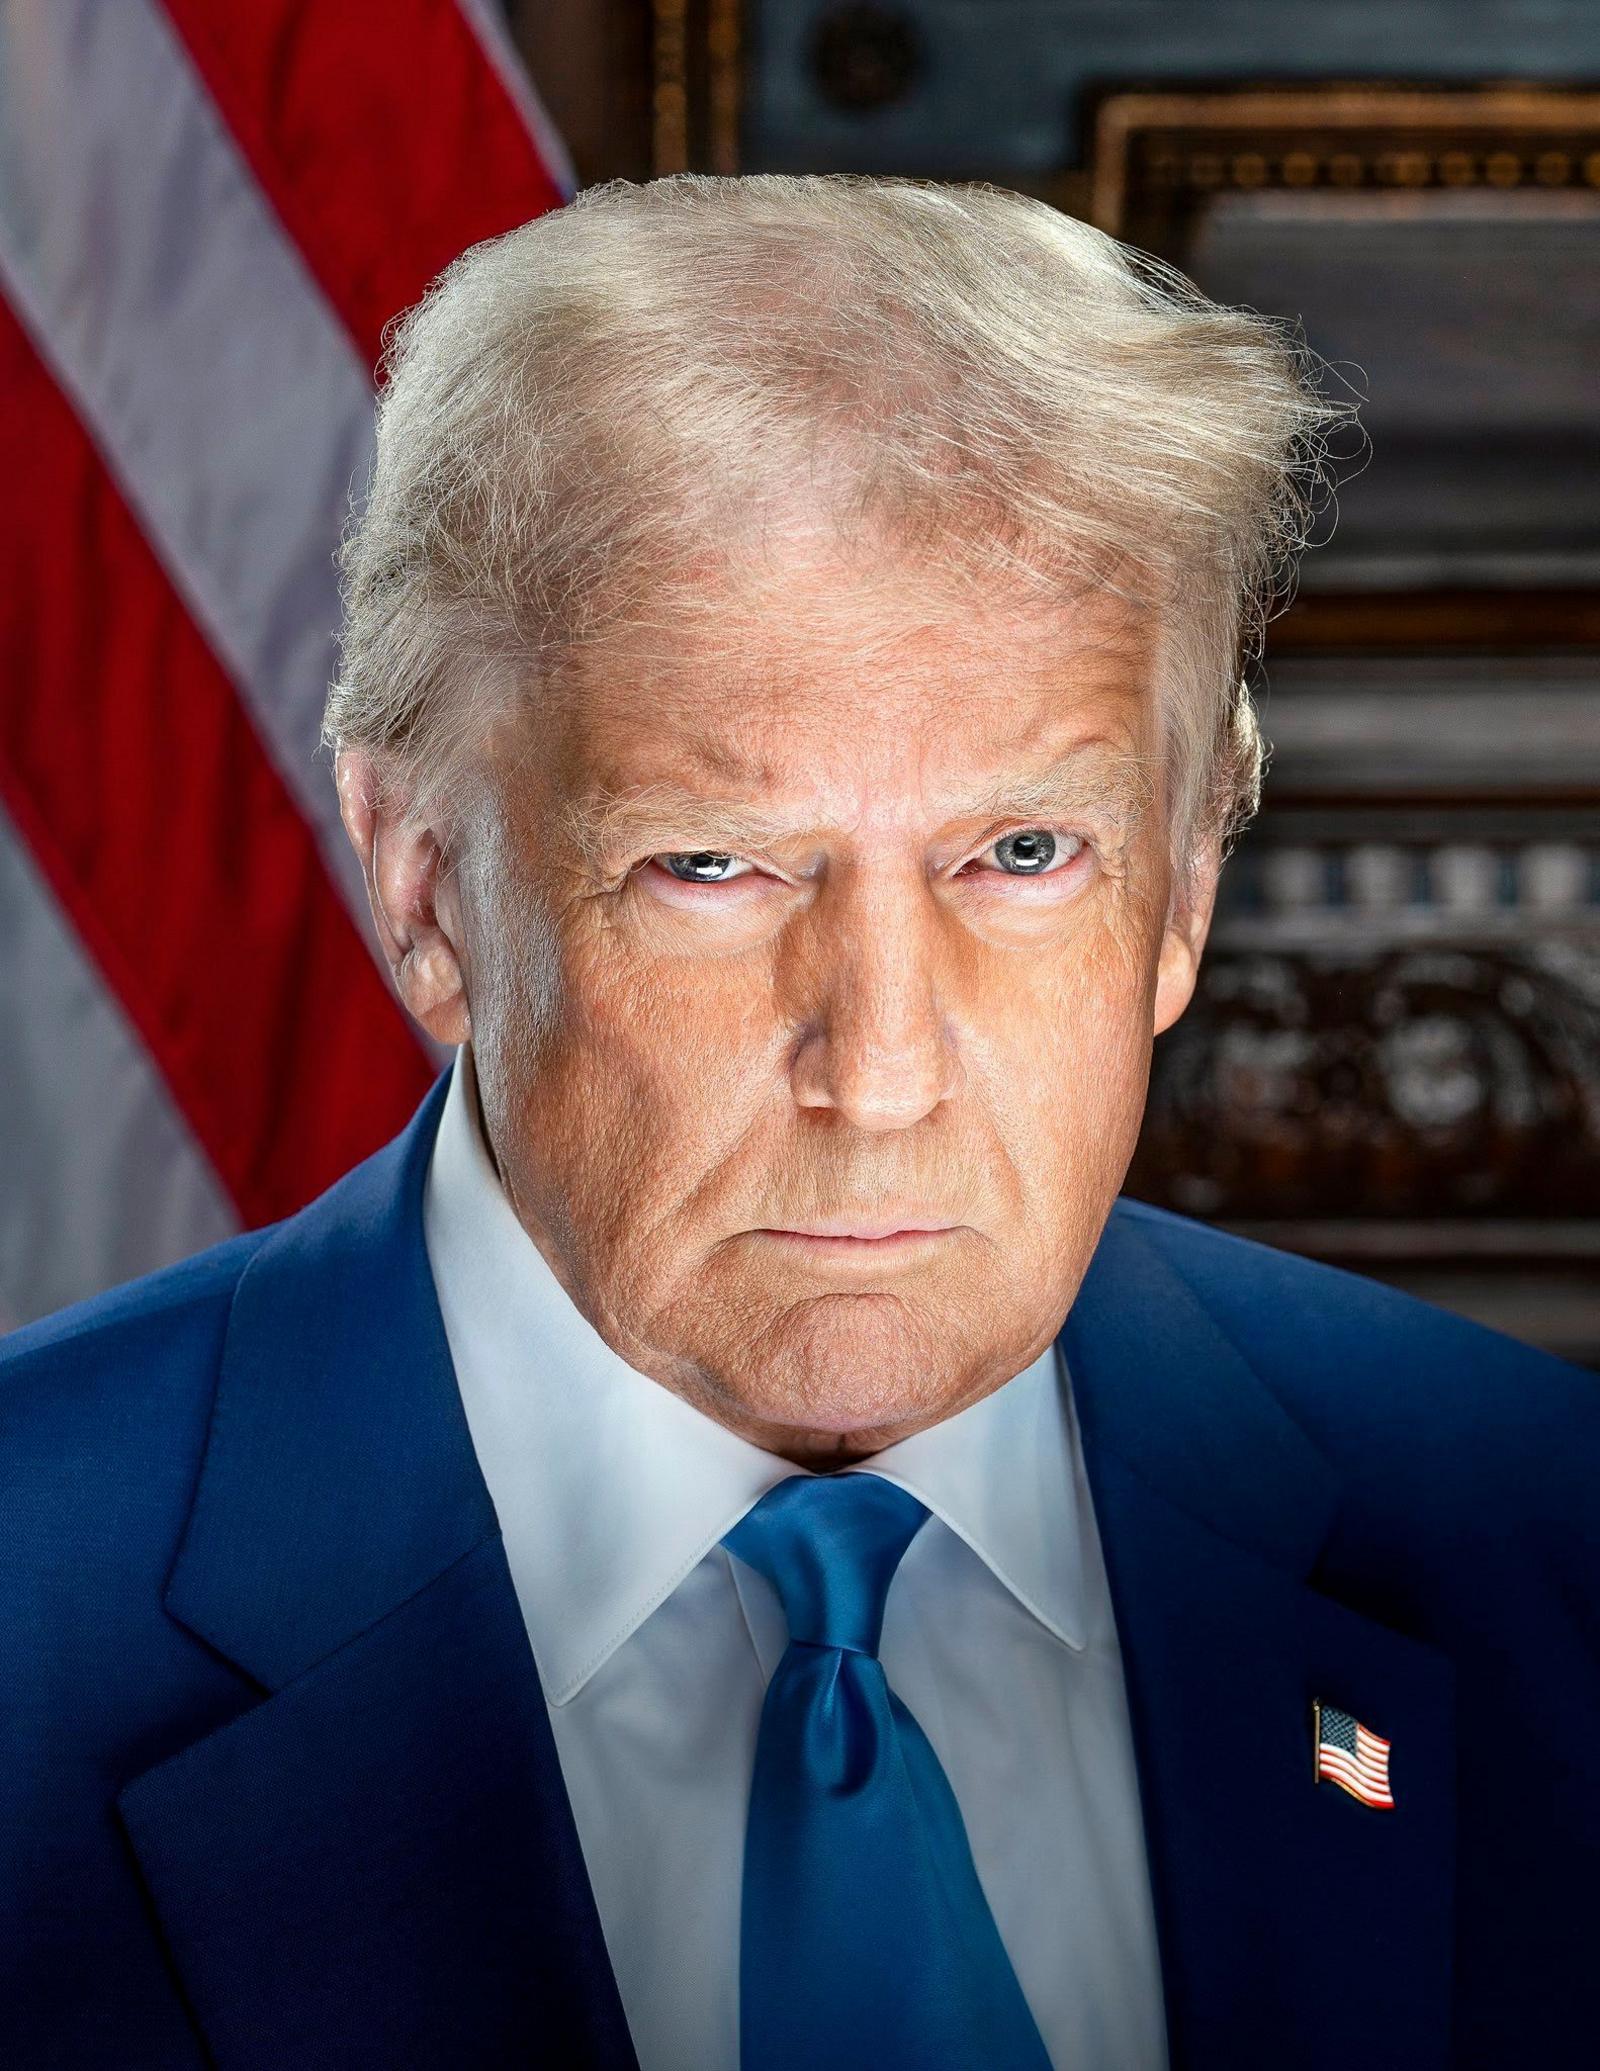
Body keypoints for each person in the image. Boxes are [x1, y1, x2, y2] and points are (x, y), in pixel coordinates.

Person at [2, 174, 1596, 2071]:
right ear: (426, 891)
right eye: (716, 864)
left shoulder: (1548, 1542)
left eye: (1022, 852)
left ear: (1182, 892)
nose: (886, 1069)